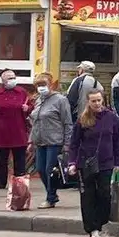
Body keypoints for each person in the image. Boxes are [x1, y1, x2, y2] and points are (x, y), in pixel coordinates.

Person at [68, 89, 119, 237]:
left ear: (103, 100)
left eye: (99, 100)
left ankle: (101, 222)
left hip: (106, 162)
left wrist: (117, 163)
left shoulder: (112, 118)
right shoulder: (82, 120)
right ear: (88, 102)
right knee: (88, 197)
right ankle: (93, 230)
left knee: (105, 195)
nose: (97, 103)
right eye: (93, 101)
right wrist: (72, 163)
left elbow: (117, 142)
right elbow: (74, 143)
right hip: (86, 163)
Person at [29, 73, 73, 209]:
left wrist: (67, 143)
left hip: (55, 140)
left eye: (43, 85)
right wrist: (30, 141)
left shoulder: (60, 100)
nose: (41, 88)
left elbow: (67, 122)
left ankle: (51, 197)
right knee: (41, 169)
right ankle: (52, 194)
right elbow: (35, 121)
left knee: (50, 169)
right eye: (38, 85)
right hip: (40, 141)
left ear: (50, 85)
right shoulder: (38, 100)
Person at [0, 69, 29, 190]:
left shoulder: (22, 92)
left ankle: (19, 181)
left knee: (19, 158)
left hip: (18, 130)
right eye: (9, 78)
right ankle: (1, 182)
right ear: (3, 80)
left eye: (13, 77)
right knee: (1, 159)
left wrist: (28, 108)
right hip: (1, 131)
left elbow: (30, 108)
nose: (12, 80)